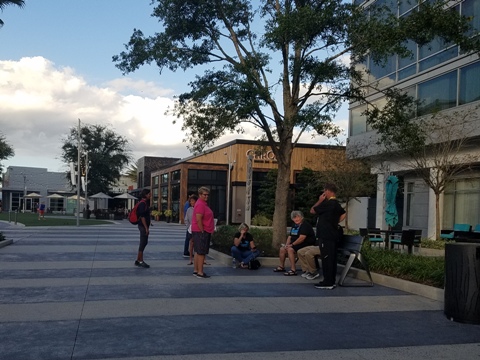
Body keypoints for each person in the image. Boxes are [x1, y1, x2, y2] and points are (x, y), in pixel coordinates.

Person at [310, 183, 346, 290]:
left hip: (326, 236)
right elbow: (343, 214)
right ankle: (330, 280)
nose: (323, 193)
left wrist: (320, 200)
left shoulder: (328, 204)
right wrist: (335, 223)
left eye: (324, 191)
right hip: (332, 235)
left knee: (326, 258)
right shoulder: (337, 204)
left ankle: (328, 282)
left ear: (328, 191)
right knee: (331, 258)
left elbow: (312, 210)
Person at [273, 210, 316, 276]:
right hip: (295, 244)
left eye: (297, 217)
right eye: (294, 218)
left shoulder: (305, 225)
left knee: (290, 249)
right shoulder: (294, 225)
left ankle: (293, 269)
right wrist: (287, 245)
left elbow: (301, 238)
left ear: (302, 217)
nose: (296, 219)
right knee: (282, 249)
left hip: (305, 244)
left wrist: (291, 245)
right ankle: (281, 266)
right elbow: (290, 236)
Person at [191, 186, 215, 278]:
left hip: (200, 230)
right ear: (200, 194)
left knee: (198, 251)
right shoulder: (200, 204)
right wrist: (202, 230)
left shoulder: (202, 203)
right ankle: (200, 272)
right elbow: (198, 219)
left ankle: (196, 270)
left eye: (208, 195)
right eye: (204, 195)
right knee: (201, 252)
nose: (206, 196)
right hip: (201, 231)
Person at [135, 189, 152, 268]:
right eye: (149, 194)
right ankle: (140, 260)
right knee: (143, 242)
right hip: (142, 226)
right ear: (145, 195)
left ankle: (138, 259)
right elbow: (142, 217)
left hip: (143, 225)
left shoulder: (144, 203)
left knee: (144, 242)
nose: (150, 195)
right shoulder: (142, 204)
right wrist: (146, 228)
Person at [184, 194, 198, 265]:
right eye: (190, 201)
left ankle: (199, 259)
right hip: (190, 229)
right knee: (191, 243)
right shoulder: (189, 209)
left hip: (198, 229)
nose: (191, 202)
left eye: (192, 201)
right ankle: (191, 259)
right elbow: (186, 219)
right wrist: (188, 226)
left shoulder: (199, 208)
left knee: (198, 244)